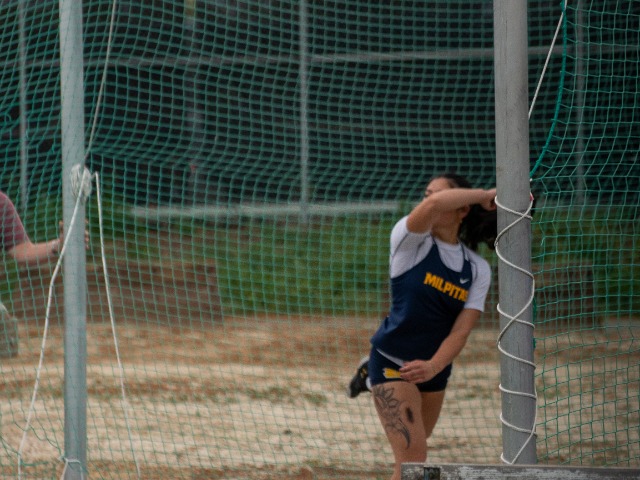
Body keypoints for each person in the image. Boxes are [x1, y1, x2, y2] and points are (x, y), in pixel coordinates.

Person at [347, 173, 498, 480]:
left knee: (419, 440)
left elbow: (461, 331)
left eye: (437, 195)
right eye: (426, 195)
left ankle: (368, 378)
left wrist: (433, 366)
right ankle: (374, 373)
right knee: (413, 461)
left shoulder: (477, 268)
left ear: (462, 209)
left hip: (435, 366)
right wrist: (485, 194)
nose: (429, 201)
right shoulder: (409, 239)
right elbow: (434, 205)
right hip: (393, 360)